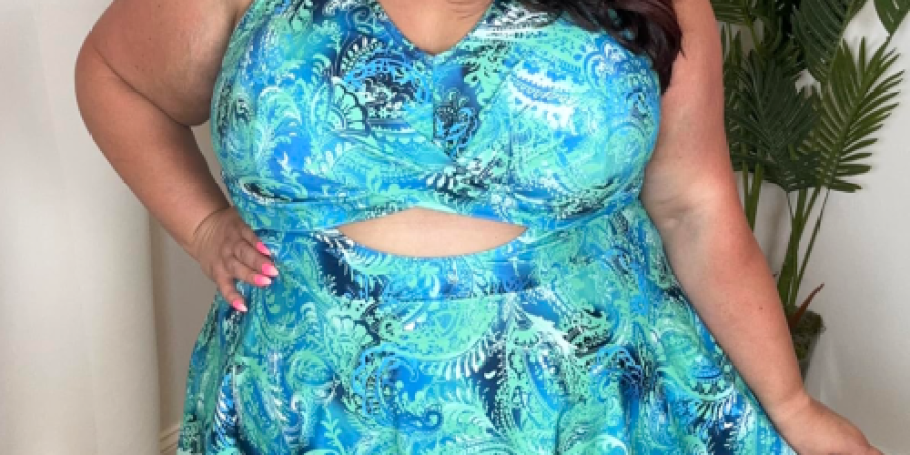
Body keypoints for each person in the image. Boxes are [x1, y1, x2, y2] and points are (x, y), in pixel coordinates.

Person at [75, 0, 880, 453]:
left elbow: (695, 208)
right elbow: (113, 75)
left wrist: (794, 406)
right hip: (307, 413)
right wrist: (202, 223)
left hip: (586, 414)